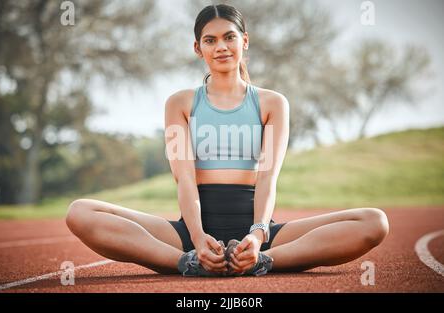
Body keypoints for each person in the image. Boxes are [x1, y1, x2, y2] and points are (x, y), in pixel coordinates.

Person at [65, 4, 389, 277]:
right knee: (80, 212)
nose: (221, 47)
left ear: (244, 41)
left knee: (374, 222)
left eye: (229, 37)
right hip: (191, 230)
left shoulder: (272, 103)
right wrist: (196, 237)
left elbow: (267, 176)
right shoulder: (179, 103)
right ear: (198, 48)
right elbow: (185, 178)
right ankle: (187, 263)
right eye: (210, 40)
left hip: (257, 227)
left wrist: (259, 236)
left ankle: (261, 262)